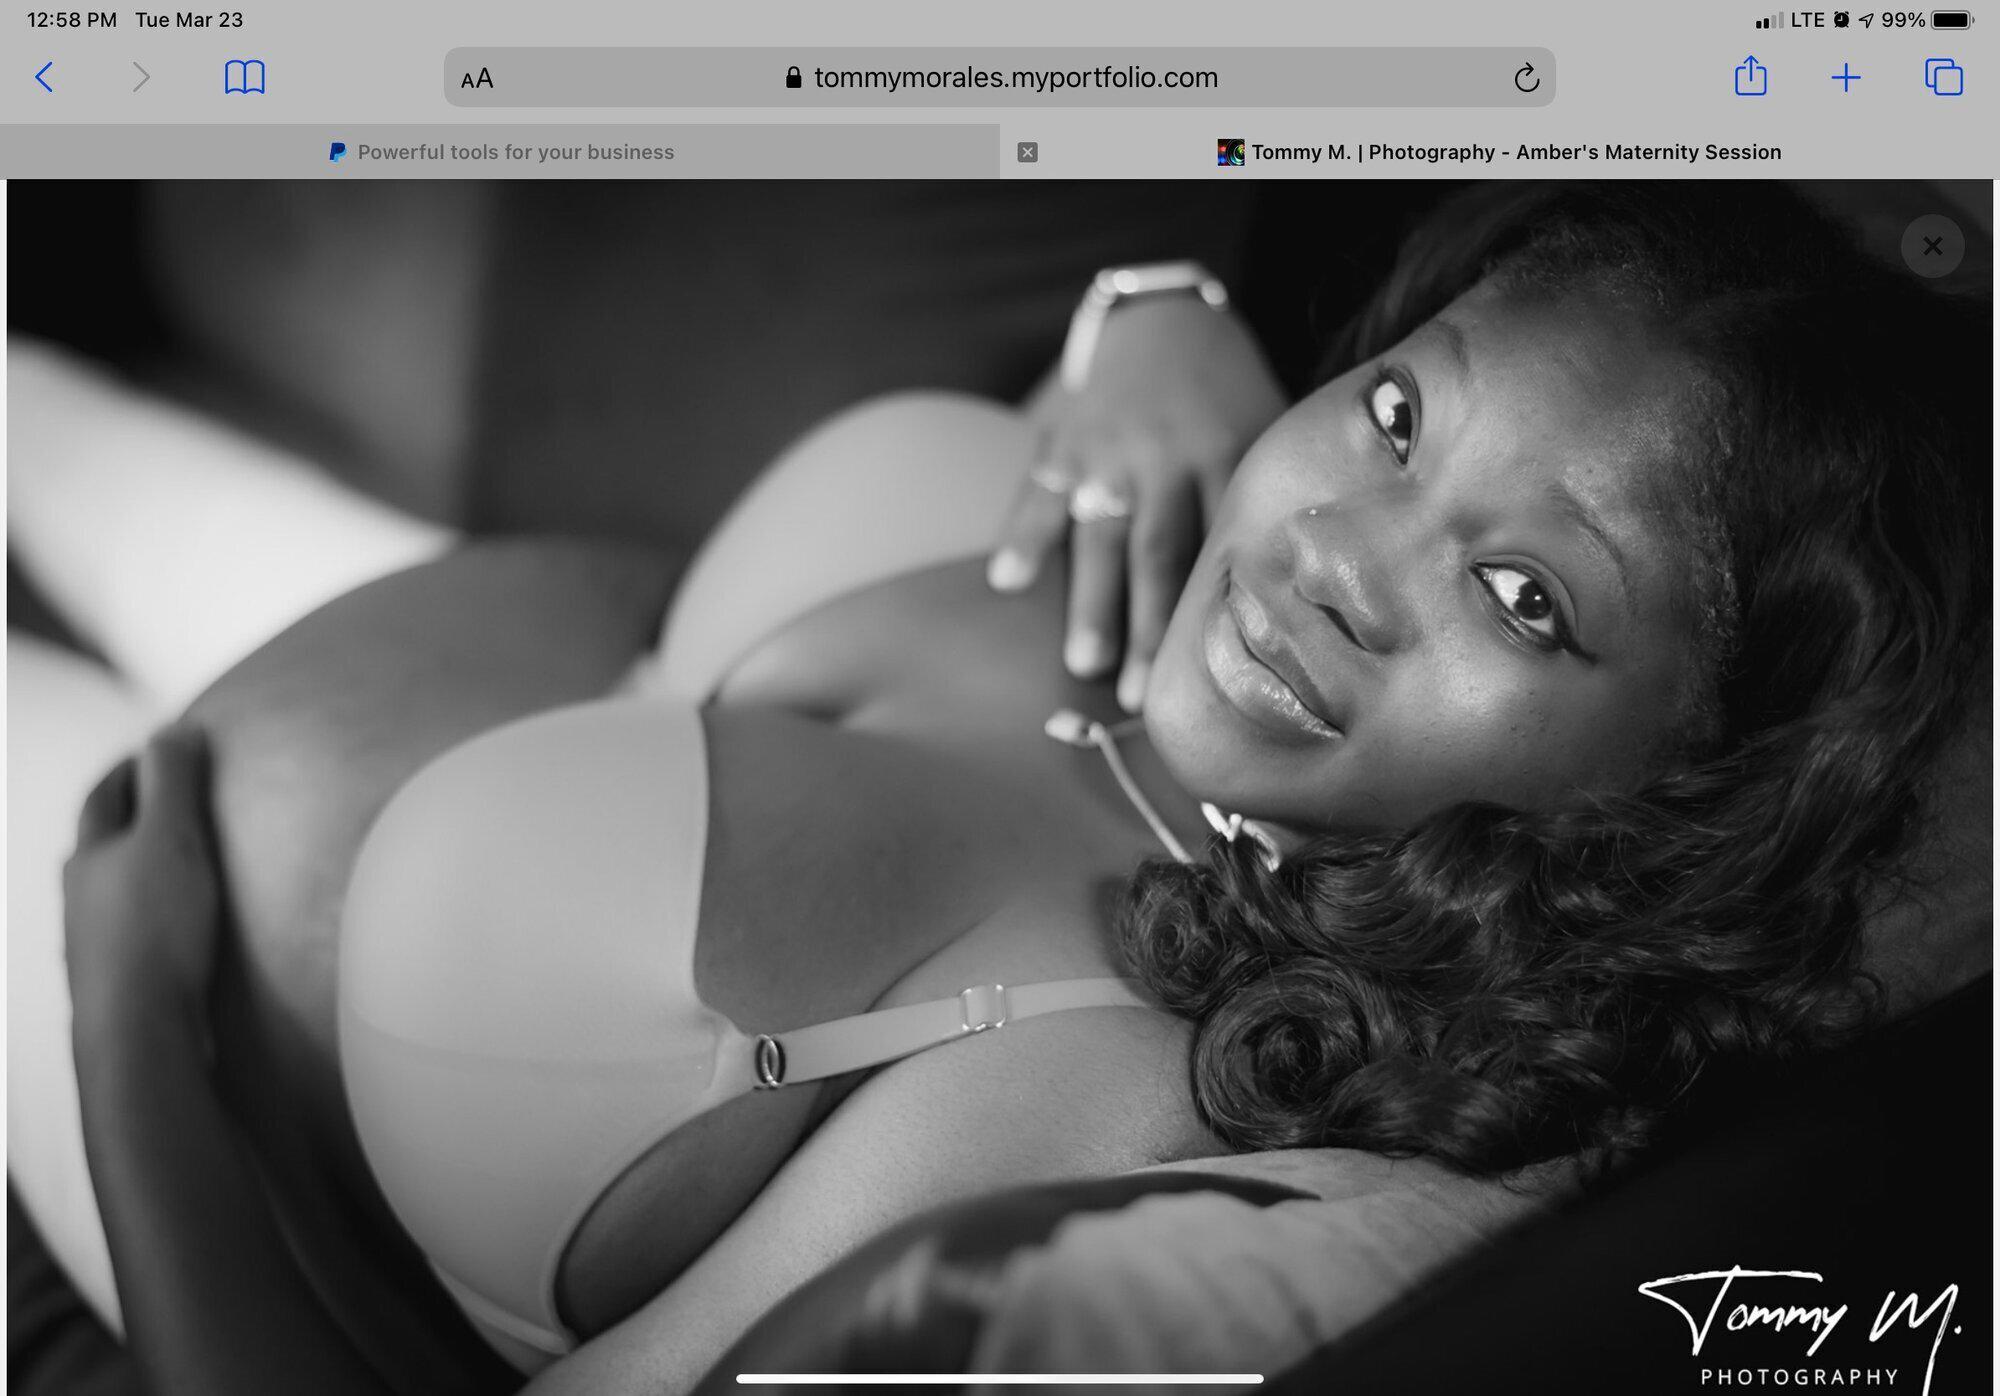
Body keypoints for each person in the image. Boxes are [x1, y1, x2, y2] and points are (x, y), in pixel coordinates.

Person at [29, 182, 1987, 1396]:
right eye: (1401, 409)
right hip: (410, 621)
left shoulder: (1092, 1072)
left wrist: (126, 1013)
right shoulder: (1220, 555)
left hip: (219, 1026)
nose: (1339, 551)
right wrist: (1147, 311)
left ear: (1691, 798)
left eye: (1525, 595)